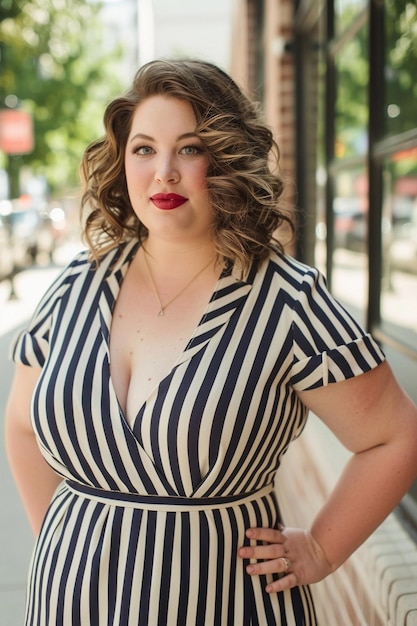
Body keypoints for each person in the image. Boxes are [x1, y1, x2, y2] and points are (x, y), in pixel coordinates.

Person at [5, 59, 417, 626]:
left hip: (222, 603)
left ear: (226, 159)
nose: (164, 172)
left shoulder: (286, 299)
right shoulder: (78, 282)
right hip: (69, 603)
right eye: (144, 149)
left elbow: (395, 435)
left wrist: (322, 549)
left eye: (190, 149)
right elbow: (23, 424)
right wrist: (59, 534)